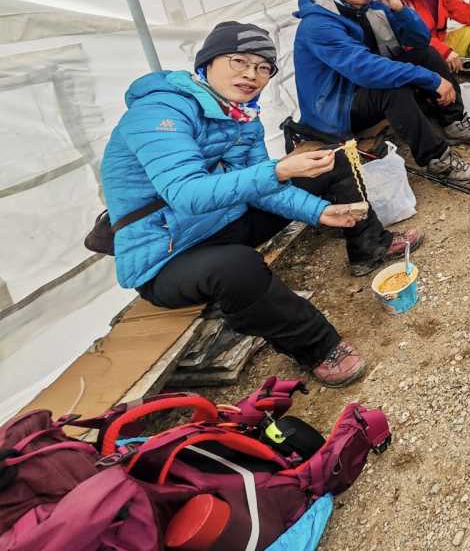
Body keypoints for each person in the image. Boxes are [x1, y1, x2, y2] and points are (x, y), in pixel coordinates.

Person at [101, 22, 413, 386]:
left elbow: (262, 188)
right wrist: (278, 170)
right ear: (206, 64)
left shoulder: (241, 115)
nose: (251, 75)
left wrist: (319, 211)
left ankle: (369, 246)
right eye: (239, 61)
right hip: (168, 255)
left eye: (264, 67)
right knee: (237, 266)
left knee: (332, 161)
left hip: (225, 221)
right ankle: (319, 347)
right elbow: (186, 194)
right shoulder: (159, 112)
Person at [294, 0, 470, 186]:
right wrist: (431, 80)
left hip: (362, 89)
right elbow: (366, 69)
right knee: (391, 90)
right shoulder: (318, 23)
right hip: (335, 108)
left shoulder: (373, 5)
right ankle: (438, 159)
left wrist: (400, 9)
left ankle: (454, 123)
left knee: (426, 55)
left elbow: (419, 41)